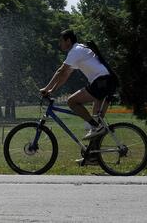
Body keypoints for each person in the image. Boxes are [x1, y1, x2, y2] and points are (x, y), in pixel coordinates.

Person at [39, 30, 117, 163]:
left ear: (68, 41)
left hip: (101, 82)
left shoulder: (75, 50)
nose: (59, 44)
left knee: (72, 101)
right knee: (96, 124)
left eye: (61, 41)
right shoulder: (79, 51)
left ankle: (96, 127)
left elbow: (60, 70)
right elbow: (65, 75)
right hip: (106, 82)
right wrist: (52, 90)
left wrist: (46, 88)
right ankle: (93, 157)